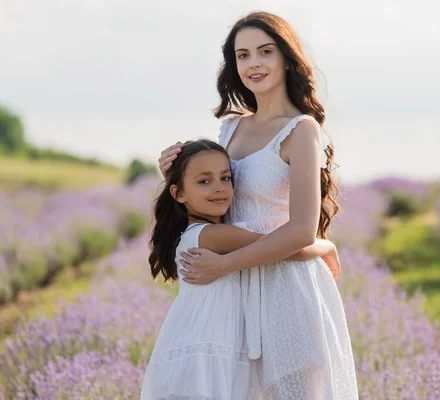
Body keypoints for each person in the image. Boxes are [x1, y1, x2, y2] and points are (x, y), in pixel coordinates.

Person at [158, 11, 359, 399]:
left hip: (288, 288)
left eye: (265, 52)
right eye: (243, 55)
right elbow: (208, 195)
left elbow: (301, 229)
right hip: (232, 296)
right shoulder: (230, 127)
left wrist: (227, 263)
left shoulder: (302, 130)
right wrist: (172, 169)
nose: (254, 64)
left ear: (286, 57)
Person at [141, 139, 340, 400]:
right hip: (209, 353)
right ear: (178, 194)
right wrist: (328, 247)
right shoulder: (211, 235)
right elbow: (285, 246)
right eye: (204, 181)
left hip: (203, 346)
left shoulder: (197, 233)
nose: (219, 189)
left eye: (225, 178)